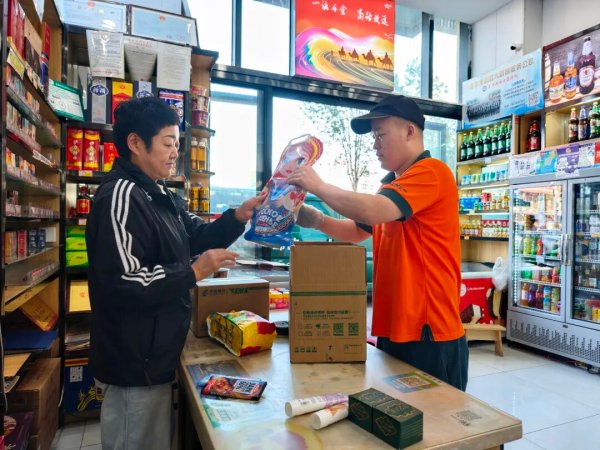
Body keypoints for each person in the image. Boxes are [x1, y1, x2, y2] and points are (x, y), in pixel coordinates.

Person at [86, 96, 265, 450]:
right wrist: (194, 271)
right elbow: (124, 282)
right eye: (168, 143)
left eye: (177, 144)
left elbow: (197, 235)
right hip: (134, 362)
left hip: (157, 354)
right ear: (136, 143)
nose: (175, 153)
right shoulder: (120, 195)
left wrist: (238, 216)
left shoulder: (158, 193)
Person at [287, 95, 468, 391]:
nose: (375, 145)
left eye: (380, 135)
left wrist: (318, 186)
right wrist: (314, 219)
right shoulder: (391, 187)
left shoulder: (432, 172)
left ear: (409, 131)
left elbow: (372, 210)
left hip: (429, 332)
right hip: (394, 327)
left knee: (434, 417)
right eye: (373, 138)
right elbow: (357, 231)